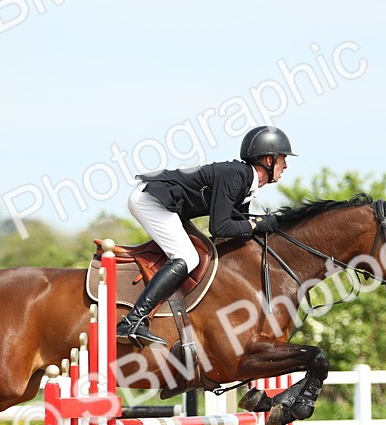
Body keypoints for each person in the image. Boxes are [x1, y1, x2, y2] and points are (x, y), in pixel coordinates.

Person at [116, 125, 295, 347]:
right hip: (151, 201)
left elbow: (240, 230)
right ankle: (133, 320)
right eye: (283, 159)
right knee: (187, 257)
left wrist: (263, 227)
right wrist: (256, 223)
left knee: (200, 254)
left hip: (172, 207)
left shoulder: (246, 186)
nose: (286, 165)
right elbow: (220, 228)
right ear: (268, 160)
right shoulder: (236, 176)